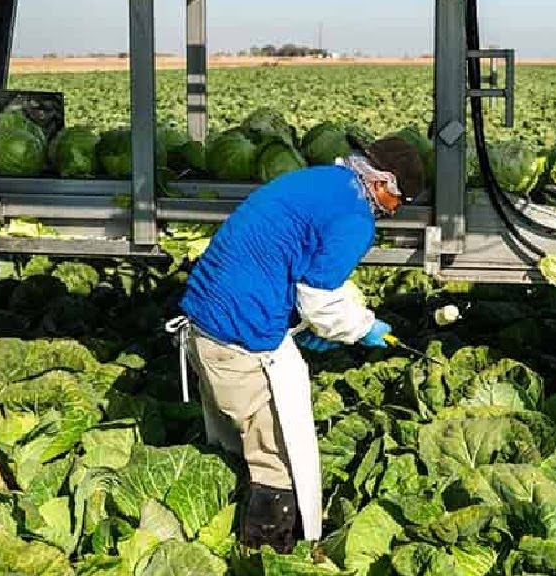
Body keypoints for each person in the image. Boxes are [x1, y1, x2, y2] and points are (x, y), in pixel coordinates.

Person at [171, 136, 425, 553]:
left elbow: (296, 263)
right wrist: (362, 328)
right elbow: (321, 300)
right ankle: (268, 551)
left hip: (208, 318)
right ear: (384, 184)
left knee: (239, 440)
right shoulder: (355, 218)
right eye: (401, 201)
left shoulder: (322, 181)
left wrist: (307, 325)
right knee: (278, 454)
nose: (396, 211)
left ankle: (238, 517)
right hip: (239, 333)